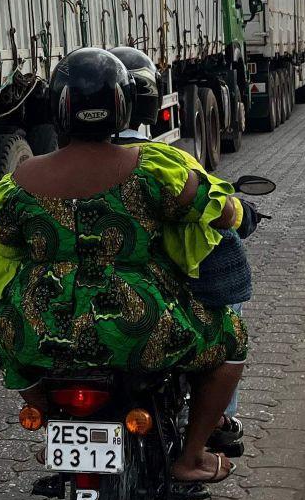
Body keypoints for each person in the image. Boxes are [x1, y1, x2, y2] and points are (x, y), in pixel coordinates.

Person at [0, 48, 247, 484]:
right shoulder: (155, 168)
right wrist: (236, 211)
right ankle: (191, 457)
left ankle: (53, 425)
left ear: (58, 109)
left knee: (12, 345)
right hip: (142, 325)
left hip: (42, 326)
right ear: (123, 105)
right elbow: (219, 211)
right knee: (230, 342)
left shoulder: (15, 185)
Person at [107, 45, 252, 459]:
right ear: (150, 102)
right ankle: (208, 433)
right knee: (230, 331)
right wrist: (240, 214)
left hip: (60, 324)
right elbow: (219, 213)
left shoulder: (36, 178)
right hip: (147, 317)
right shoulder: (164, 165)